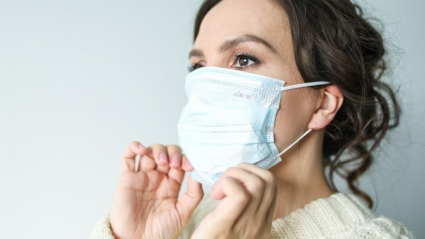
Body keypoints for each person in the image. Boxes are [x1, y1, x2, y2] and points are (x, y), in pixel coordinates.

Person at [90, 0, 415, 238]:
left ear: (322, 104)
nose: (209, 86)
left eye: (244, 59)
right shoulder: (181, 223)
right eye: (200, 68)